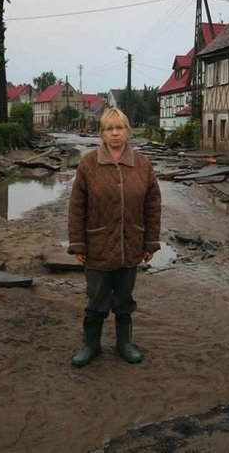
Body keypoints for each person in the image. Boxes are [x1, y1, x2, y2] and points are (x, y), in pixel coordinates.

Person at [67, 108, 161, 367]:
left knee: (124, 298)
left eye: (120, 127)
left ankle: (124, 344)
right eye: (110, 128)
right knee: (96, 298)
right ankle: (91, 345)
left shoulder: (142, 164)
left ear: (128, 131)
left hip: (131, 243)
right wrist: (78, 243)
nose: (115, 133)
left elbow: (152, 205)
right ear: (102, 134)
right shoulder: (89, 164)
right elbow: (77, 206)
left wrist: (150, 242)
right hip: (97, 244)